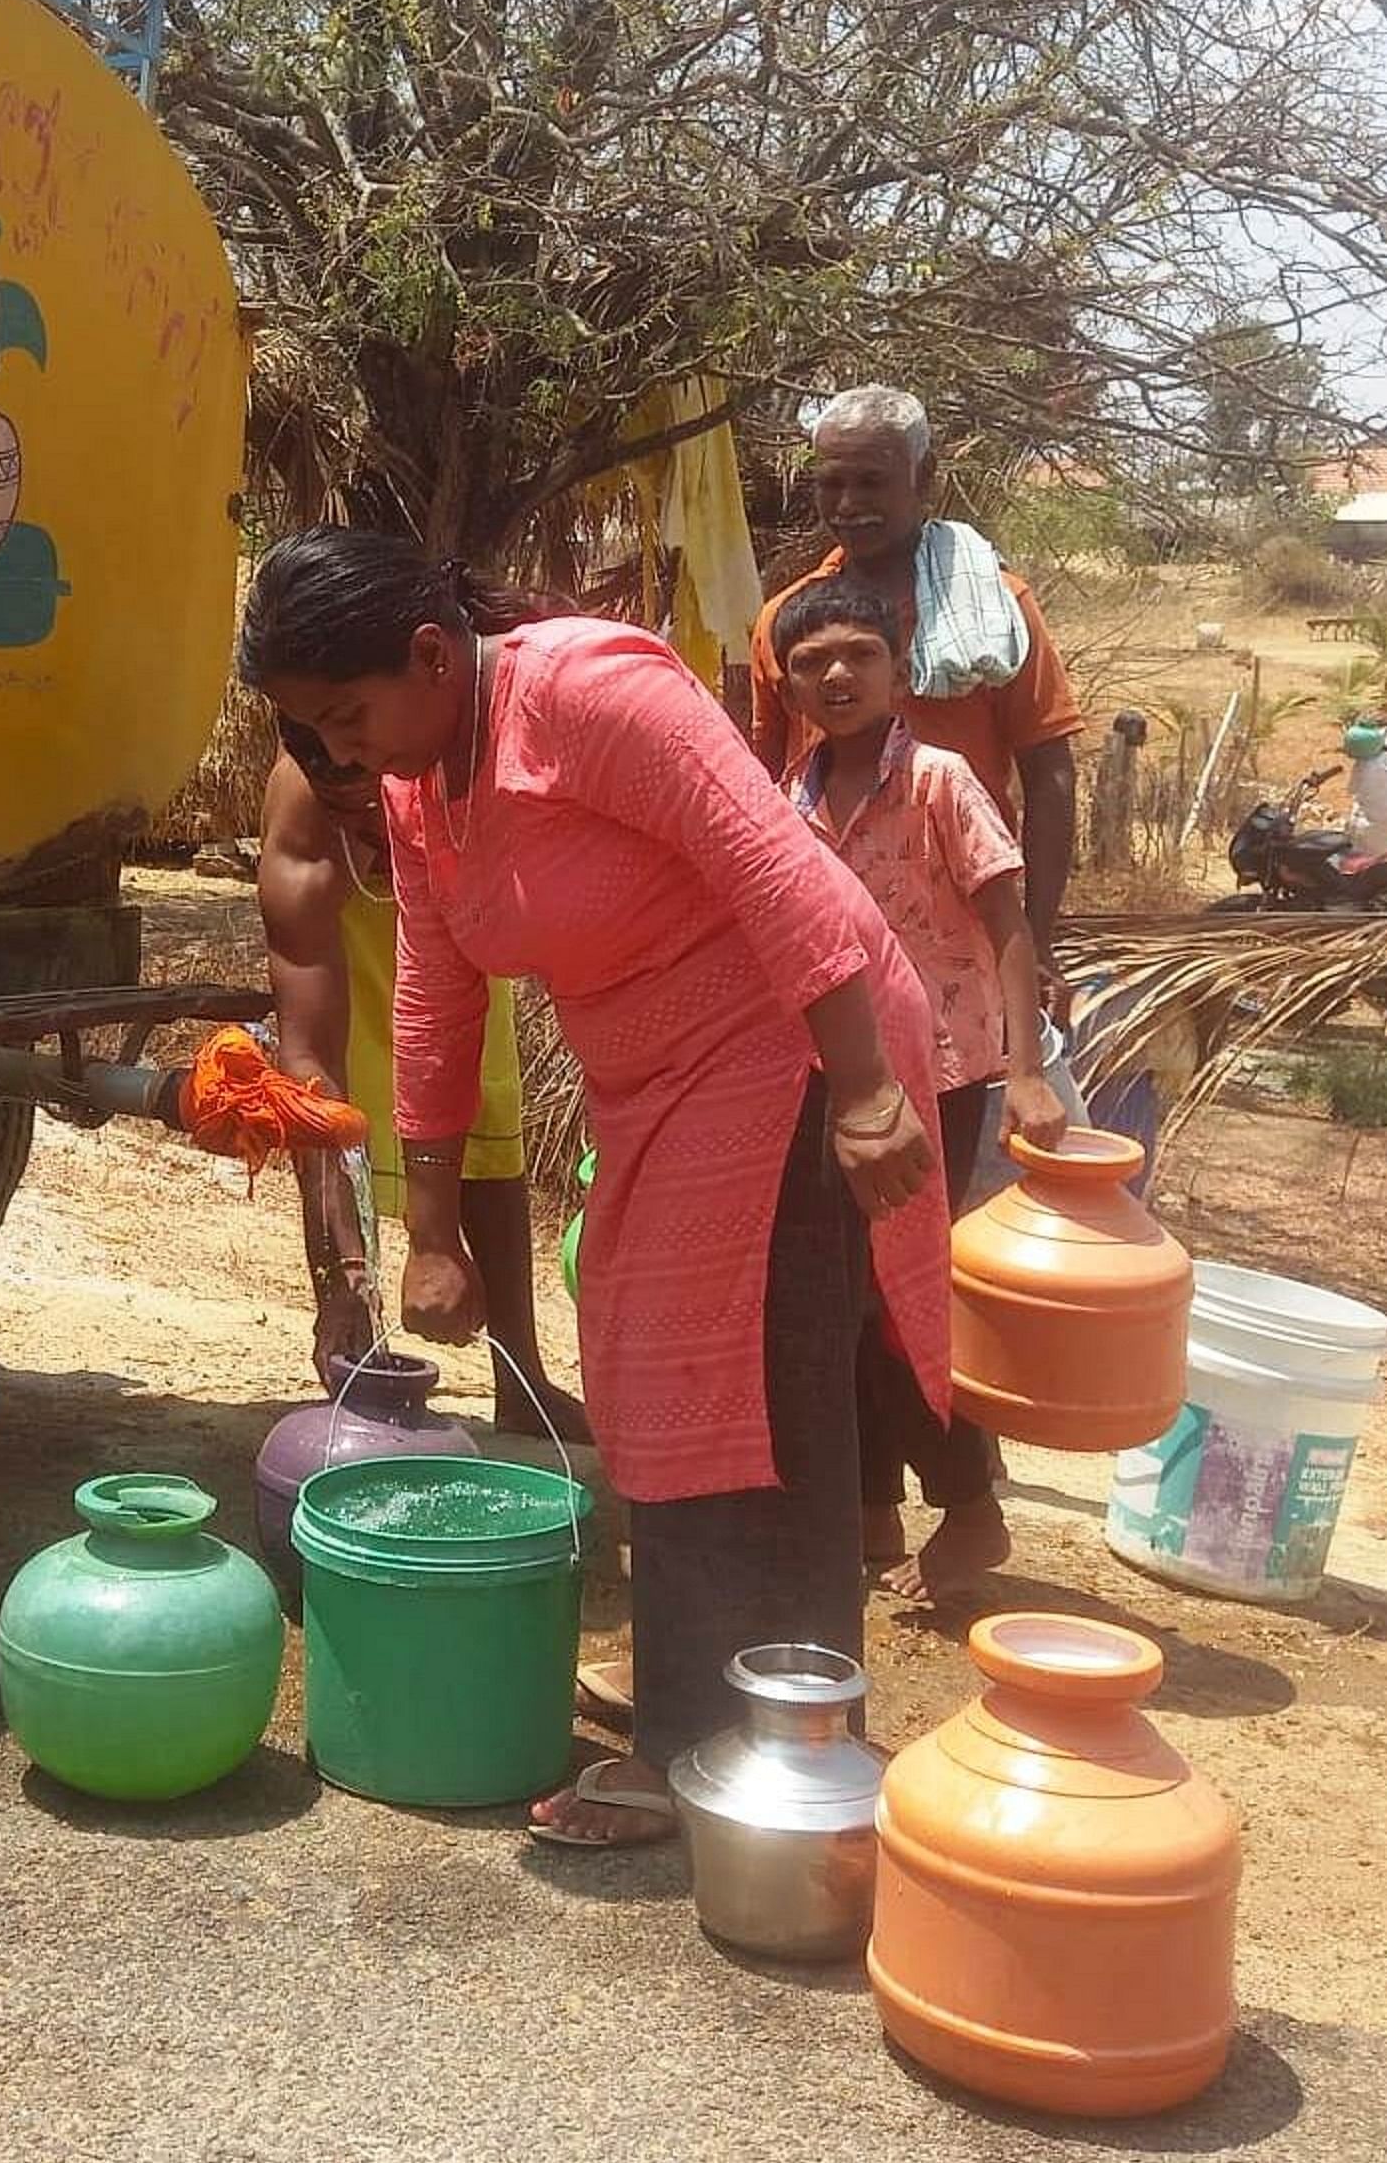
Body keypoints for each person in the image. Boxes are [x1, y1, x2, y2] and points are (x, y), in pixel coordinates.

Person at [242, 527, 949, 1849]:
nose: (337, 754)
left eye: (346, 715)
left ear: (431, 654)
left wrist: (861, 1090)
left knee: (747, 1384)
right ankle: (734, 1701)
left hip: (790, 1041)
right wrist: (433, 1229)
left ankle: (741, 1741)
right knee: (650, 1379)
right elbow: (435, 996)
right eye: (310, 732)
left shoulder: (591, 694)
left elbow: (781, 872)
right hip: (662, 1080)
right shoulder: (418, 781)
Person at [773, 574, 1069, 1604]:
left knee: (906, 1302)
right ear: (789, 686)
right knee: (839, 1298)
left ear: (899, 670)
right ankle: (870, 1511)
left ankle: (970, 1505)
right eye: (811, 665)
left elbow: (1008, 927)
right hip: (835, 1080)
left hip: (942, 1070)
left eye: (857, 655)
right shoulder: (791, 799)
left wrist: (1027, 1073)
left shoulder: (940, 779)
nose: (836, 676)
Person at [259, 709, 591, 1443]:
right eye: (357, 815)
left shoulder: (458, 764)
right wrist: (337, 1276)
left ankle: (520, 1377)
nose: (377, 832)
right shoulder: (304, 826)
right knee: (355, 1132)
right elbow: (311, 1066)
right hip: (353, 963)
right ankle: (360, 1359)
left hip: (461, 935)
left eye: (385, 803)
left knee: (485, 1124)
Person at [750, 385, 1083, 1008]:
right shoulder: (786, 622)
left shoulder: (995, 616)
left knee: (957, 1098)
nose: (849, 504)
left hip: (965, 940)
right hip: (825, 938)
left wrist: (1036, 939)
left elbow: (1050, 775)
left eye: (872, 482)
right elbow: (765, 784)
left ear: (923, 476)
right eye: (832, 483)